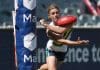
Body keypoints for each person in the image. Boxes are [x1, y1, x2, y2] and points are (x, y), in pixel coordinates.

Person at [38, 4, 89, 70]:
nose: (55, 15)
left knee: (49, 67)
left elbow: (60, 30)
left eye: (57, 12)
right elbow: (62, 40)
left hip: (62, 51)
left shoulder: (67, 22)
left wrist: (45, 24)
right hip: (51, 49)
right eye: (53, 13)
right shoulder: (48, 30)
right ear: (49, 16)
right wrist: (77, 43)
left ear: (60, 13)